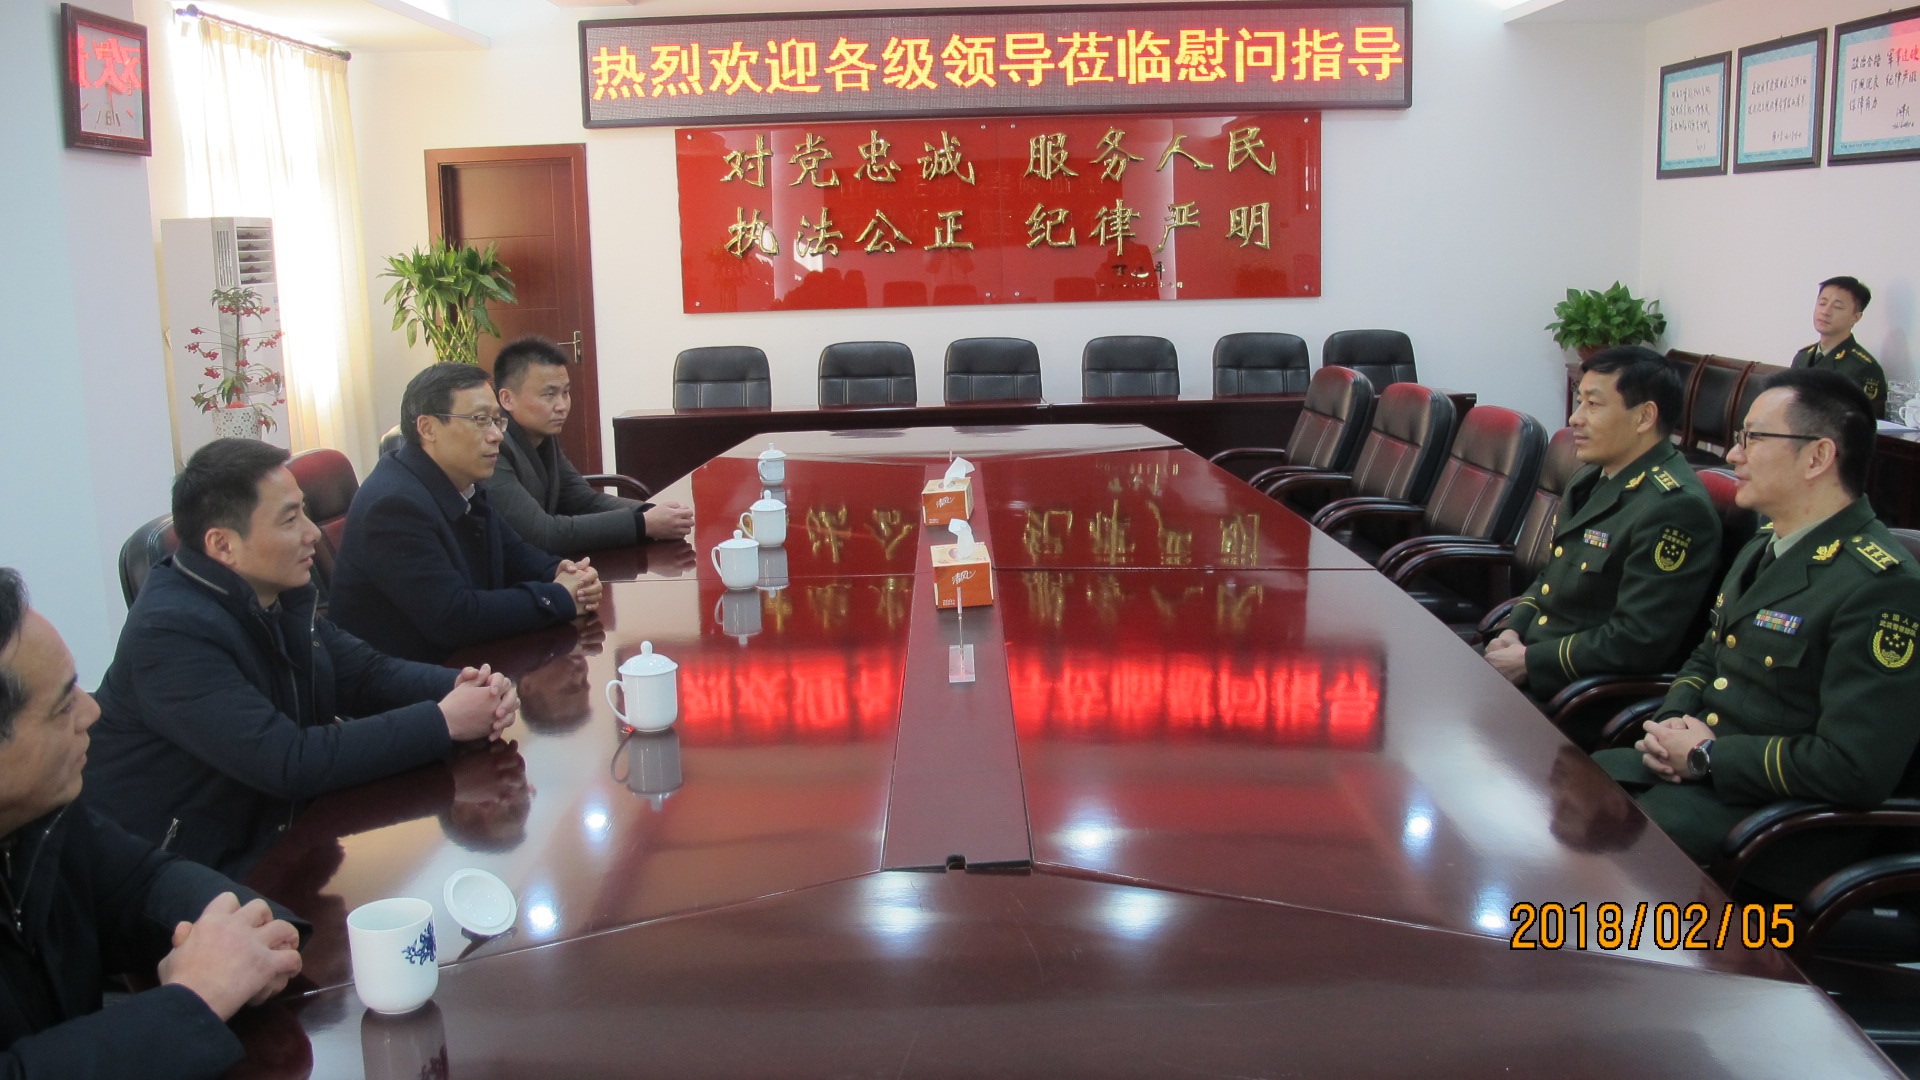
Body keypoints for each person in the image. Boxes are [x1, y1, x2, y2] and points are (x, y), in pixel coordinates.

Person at [85, 439, 518, 878]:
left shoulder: (273, 591)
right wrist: (443, 721)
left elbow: (365, 674)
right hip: (191, 872)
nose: (313, 533)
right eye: (291, 519)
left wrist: (462, 688)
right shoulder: (169, 633)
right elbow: (287, 760)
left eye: (306, 513)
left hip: (283, 833)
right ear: (223, 544)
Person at [1594, 369, 1920, 891]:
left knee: (1593, 871)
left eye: (1753, 438)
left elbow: (1855, 767)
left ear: (1817, 457)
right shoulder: (1765, 545)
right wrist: (1673, 724)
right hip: (1695, 783)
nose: (1733, 455)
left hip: (1776, 830)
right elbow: (1707, 657)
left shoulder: (1880, 585)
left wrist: (1707, 757)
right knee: (1564, 795)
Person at [0, 567, 308, 1079]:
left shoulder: (42, 814)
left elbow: (144, 882)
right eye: (62, 706)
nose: (92, 712)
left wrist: (256, 935)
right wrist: (194, 999)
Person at [1484, 347, 1720, 705]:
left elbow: (1638, 640)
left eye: (1593, 405)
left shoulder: (1674, 508)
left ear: (1644, 417)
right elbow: (1552, 578)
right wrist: (1513, 630)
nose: (1575, 418)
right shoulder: (1592, 479)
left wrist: (1531, 661)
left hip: (1579, 694)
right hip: (1531, 661)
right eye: (1580, 402)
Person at [329, 362, 603, 663]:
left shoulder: (461, 481)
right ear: (428, 428)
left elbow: (514, 552)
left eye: (497, 420)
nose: (496, 435)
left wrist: (563, 572)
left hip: (469, 664)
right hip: (415, 679)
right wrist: (558, 597)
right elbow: (455, 617)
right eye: (480, 420)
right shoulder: (393, 506)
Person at [489, 335, 694, 556]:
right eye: (549, 394)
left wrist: (651, 512)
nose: (562, 406)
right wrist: (643, 523)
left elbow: (584, 500)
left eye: (565, 392)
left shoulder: (542, 435)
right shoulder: (492, 448)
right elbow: (543, 534)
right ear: (507, 399)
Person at [1790, 275, 1885, 419]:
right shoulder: (1802, 357)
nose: (1825, 312)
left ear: (1856, 317)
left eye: (1837, 307)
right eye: (1822, 303)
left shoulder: (1863, 368)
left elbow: (1866, 423)